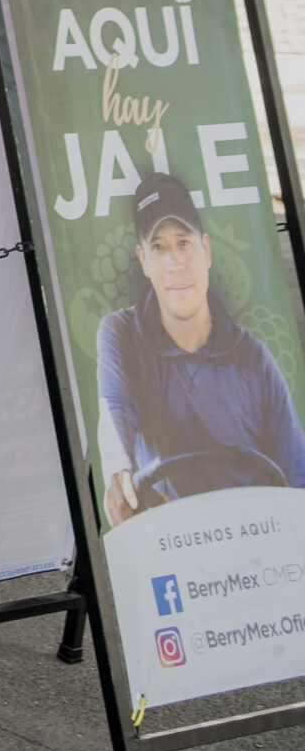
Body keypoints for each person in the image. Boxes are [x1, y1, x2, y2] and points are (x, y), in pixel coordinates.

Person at [97, 171, 305, 526]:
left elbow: (298, 478)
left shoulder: (253, 357)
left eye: (183, 243)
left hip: (257, 534)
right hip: (175, 539)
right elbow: (114, 411)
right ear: (143, 260)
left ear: (205, 249)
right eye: (159, 247)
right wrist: (120, 472)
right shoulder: (121, 332)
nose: (175, 263)